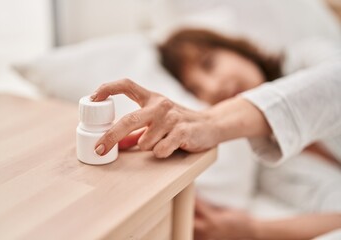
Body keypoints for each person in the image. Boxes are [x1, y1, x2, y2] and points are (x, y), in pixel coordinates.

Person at [90, 28, 341, 239]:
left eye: (209, 64)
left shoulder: (309, 59)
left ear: (233, 48)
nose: (214, 87)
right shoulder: (268, 163)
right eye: (196, 90)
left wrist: (212, 121)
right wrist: (254, 230)